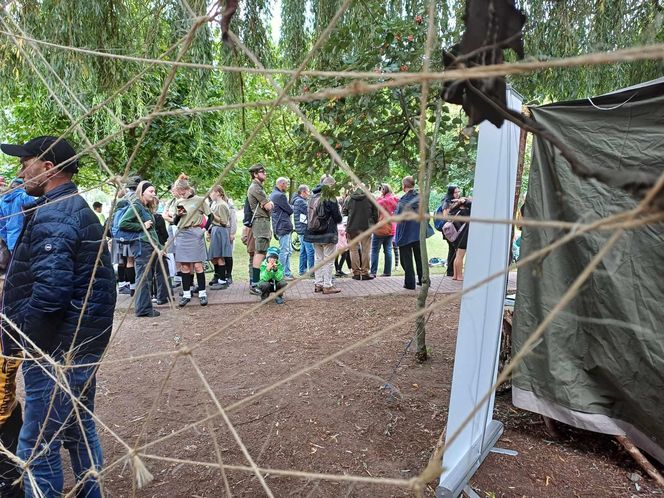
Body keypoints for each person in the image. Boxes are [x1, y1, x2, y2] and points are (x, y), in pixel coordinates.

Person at [0, 135, 116, 497]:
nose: (20, 172)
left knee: (37, 444)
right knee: (79, 431)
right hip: (79, 344)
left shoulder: (56, 213)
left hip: (56, 350)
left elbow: (50, 294)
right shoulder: (71, 207)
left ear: (48, 168)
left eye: (25, 163)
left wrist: (23, 341)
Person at [118, 181, 167, 317]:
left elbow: (152, 232)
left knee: (147, 277)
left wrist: (160, 247)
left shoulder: (145, 208)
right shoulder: (136, 206)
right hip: (141, 246)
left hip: (148, 246)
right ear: (142, 192)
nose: (154, 194)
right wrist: (142, 225)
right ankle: (142, 309)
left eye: (154, 191)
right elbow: (123, 223)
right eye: (151, 191)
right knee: (144, 278)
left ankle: (144, 307)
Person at [172, 174, 212, 307]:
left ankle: (202, 293)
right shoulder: (178, 202)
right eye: (178, 192)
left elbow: (210, 216)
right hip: (182, 234)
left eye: (181, 191)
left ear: (187, 189)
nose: (180, 194)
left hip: (195, 233)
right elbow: (174, 221)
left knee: (197, 265)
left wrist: (204, 230)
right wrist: (178, 215)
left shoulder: (200, 200)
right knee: (184, 266)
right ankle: (186, 293)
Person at [304, 175, 342, 294]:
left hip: (313, 232)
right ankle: (327, 285)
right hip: (328, 233)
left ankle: (318, 283)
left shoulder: (312, 197)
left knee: (318, 259)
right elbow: (337, 217)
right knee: (328, 260)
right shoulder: (330, 197)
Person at [394, 176, 427, 290]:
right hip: (419, 233)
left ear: (404, 186)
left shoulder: (403, 200)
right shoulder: (421, 198)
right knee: (420, 258)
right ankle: (424, 280)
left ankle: (410, 283)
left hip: (405, 233)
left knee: (406, 260)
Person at [246, 164, 274, 295]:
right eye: (262, 172)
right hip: (261, 222)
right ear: (255, 174)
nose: (265, 174)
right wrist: (270, 203)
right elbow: (268, 206)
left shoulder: (258, 187)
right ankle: (255, 284)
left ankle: (257, 282)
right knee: (260, 252)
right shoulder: (256, 188)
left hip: (263, 222)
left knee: (261, 252)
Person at [343, 184, 378, 280]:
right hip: (366, 227)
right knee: (365, 250)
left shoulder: (349, 198)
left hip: (352, 227)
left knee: (353, 250)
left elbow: (344, 212)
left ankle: (356, 273)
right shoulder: (371, 198)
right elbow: (376, 213)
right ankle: (365, 272)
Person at [370, 183, 399, 277]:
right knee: (388, 250)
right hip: (391, 228)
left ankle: (373, 272)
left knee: (375, 251)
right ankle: (387, 272)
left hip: (380, 228)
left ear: (383, 190)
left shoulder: (379, 201)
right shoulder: (395, 200)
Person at [208, 185, 233, 290]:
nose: (210, 195)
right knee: (215, 256)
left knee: (220, 256)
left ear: (218, 193)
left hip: (220, 231)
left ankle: (222, 280)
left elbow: (223, 221)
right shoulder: (216, 204)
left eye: (212, 192)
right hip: (215, 230)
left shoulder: (222, 205)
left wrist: (212, 214)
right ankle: (219, 278)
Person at [269, 177, 294, 280]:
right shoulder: (280, 196)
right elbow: (289, 209)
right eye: (286, 184)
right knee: (284, 251)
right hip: (283, 226)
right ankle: (281, 274)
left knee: (288, 250)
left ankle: (287, 272)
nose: (287, 186)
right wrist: (291, 207)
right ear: (282, 184)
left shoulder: (273, 194)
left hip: (279, 226)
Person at [0, 178, 33, 253]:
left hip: (11, 240)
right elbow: (33, 216)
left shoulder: (2, 201)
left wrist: (7, 239)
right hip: (26, 239)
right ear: (23, 186)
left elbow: (1, 225)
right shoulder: (26, 196)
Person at [291, 185, 315, 276]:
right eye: (308, 191)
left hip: (301, 229)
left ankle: (302, 270)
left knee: (304, 251)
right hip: (304, 229)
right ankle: (312, 271)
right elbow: (310, 211)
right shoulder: (301, 201)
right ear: (303, 192)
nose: (309, 194)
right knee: (310, 250)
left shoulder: (298, 201)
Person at [440, 185, 461, 276]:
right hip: (450, 229)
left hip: (456, 228)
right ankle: (450, 271)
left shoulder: (458, 200)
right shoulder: (447, 201)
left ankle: (452, 270)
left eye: (458, 192)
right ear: (451, 193)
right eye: (455, 192)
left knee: (454, 249)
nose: (457, 194)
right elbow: (446, 216)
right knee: (453, 249)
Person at [450, 196, 472, 281]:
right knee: (460, 257)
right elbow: (471, 204)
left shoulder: (455, 211)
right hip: (463, 236)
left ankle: (455, 275)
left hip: (456, 237)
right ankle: (459, 276)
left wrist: (461, 201)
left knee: (457, 256)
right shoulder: (466, 212)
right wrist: (466, 200)